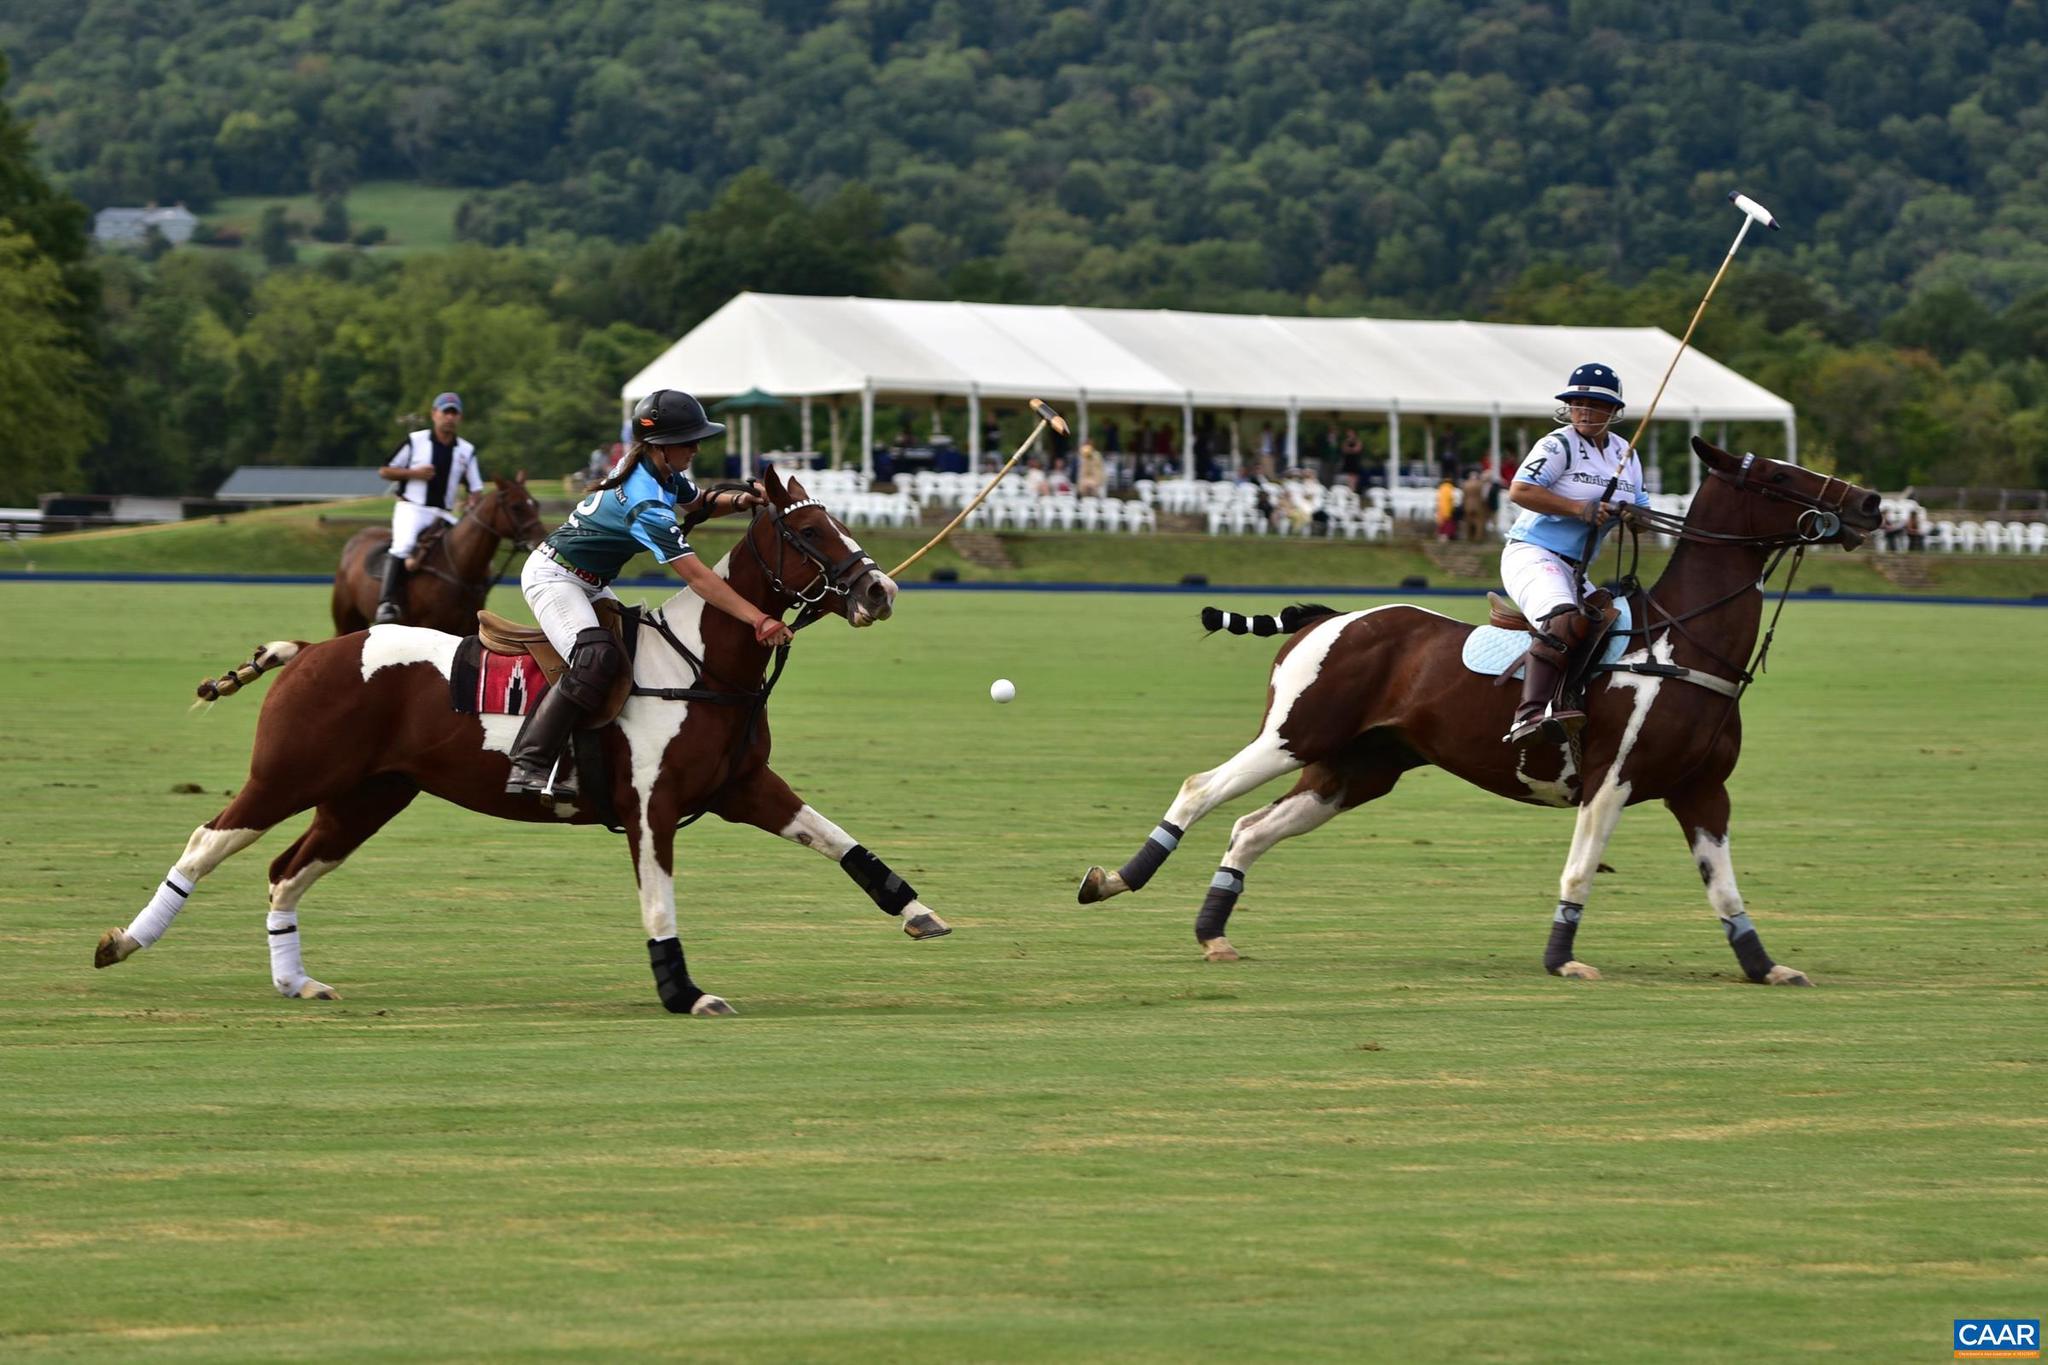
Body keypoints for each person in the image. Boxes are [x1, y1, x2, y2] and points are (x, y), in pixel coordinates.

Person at [504, 388, 790, 799]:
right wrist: (758, 618)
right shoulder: (645, 503)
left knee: (638, 653)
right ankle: (528, 765)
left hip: (590, 582)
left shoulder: (657, 470)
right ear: (663, 445)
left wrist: (743, 500)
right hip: (555, 577)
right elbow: (699, 578)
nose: (695, 448)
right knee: (595, 657)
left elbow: (700, 503)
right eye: (688, 441)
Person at [1499, 363, 1651, 746]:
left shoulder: (1625, 454)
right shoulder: (1558, 444)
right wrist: (1578, 509)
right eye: (1577, 402)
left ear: (1613, 411)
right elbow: (1521, 490)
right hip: (1533, 553)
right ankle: (1530, 714)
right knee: (1564, 621)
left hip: (1576, 569)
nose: (1583, 410)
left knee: (1614, 624)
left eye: (1595, 404)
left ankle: (1584, 702)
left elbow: (1643, 510)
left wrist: (1634, 516)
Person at [374, 392, 484, 624]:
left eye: (454, 413)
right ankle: (386, 603)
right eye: (445, 412)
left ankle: (473, 601)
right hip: (412, 508)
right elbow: (385, 470)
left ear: (460, 418)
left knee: (469, 548)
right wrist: (413, 473)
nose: (449, 418)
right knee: (402, 546)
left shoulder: (466, 450)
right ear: (434, 414)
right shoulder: (416, 441)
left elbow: (475, 488)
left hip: (443, 513)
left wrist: (472, 502)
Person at [1435, 474, 1457, 540]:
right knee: (1447, 524)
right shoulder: (1450, 489)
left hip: (1440, 509)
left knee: (1441, 523)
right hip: (1447, 509)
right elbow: (1451, 498)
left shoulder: (1441, 488)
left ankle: (1440, 535)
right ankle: (1445, 536)